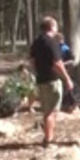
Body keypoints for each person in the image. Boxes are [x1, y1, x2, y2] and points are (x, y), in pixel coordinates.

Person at [29, 16, 74, 146]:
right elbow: (58, 63)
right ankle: (49, 140)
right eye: (56, 26)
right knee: (52, 112)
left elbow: (32, 61)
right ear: (52, 27)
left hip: (41, 80)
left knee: (46, 111)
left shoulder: (37, 42)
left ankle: (48, 136)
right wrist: (67, 78)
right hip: (52, 80)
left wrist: (36, 73)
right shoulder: (51, 42)